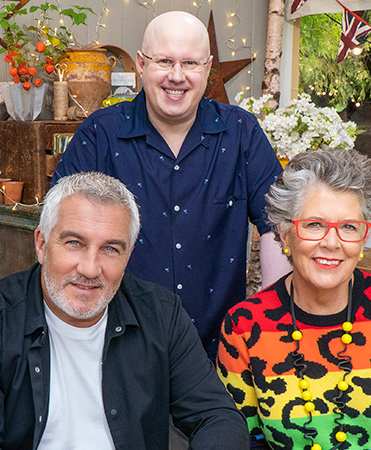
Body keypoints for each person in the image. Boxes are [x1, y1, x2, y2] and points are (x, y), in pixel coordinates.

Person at [0, 172, 248, 449]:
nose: (90, 268)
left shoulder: (161, 314)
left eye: (110, 249)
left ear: (128, 256)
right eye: (74, 243)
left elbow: (217, 417)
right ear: (42, 244)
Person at [52, 11, 288, 358]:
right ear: (141, 64)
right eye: (164, 61)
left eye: (189, 63)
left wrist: (272, 320)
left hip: (220, 351)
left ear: (208, 68)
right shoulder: (99, 134)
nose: (176, 77)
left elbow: (276, 225)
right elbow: (61, 232)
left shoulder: (241, 133)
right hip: (116, 349)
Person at [217, 149, 371, 450]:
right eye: (314, 225)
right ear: (285, 234)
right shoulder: (245, 325)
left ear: (365, 237)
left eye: (349, 227)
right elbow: (243, 440)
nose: (331, 243)